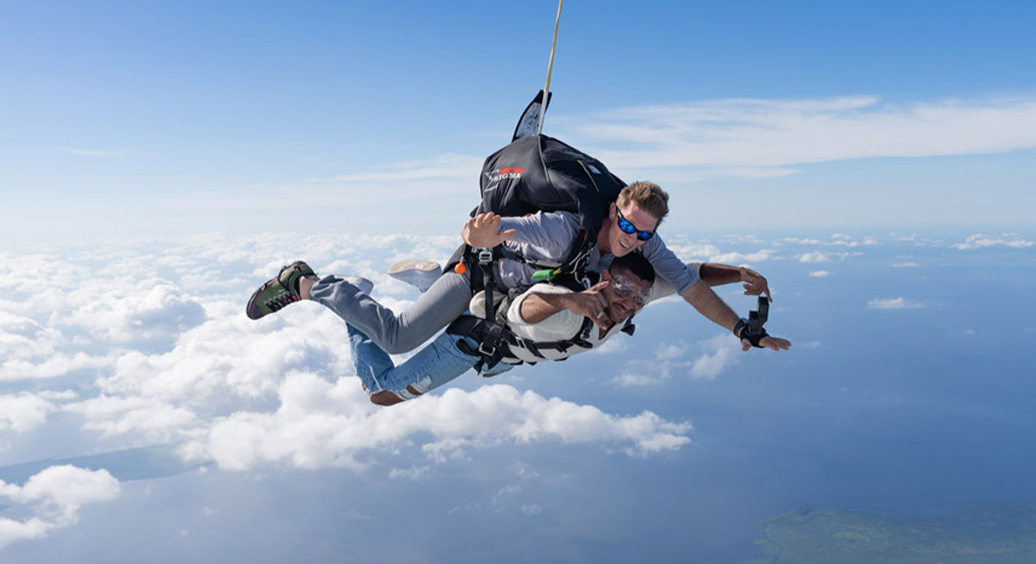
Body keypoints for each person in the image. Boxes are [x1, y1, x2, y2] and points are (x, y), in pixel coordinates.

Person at [246, 181, 790, 353]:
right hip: (480, 279)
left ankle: (421, 274)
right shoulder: (559, 228)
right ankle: (311, 283)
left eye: (644, 232)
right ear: (612, 210)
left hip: (519, 300)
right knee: (396, 338)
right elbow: (495, 232)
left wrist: (741, 316)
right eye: (626, 225)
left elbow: (688, 283)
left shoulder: (644, 248)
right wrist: (475, 236)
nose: (632, 239)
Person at [345, 253, 788, 405]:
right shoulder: (572, 309)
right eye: (619, 292)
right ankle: (353, 299)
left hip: (508, 353)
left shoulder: (634, 297)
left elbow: (691, 275)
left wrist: (741, 275)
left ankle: (439, 287)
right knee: (382, 392)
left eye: (637, 298)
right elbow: (526, 310)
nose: (626, 306)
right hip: (475, 338)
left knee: (501, 362)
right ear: (603, 281)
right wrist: (567, 299)